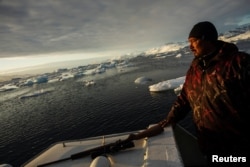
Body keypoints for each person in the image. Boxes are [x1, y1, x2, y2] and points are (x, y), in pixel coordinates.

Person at [128, 21, 250, 164]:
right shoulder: (196, 67)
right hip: (210, 146)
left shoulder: (239, 63)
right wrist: (170, 120)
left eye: (194, 41)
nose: (190, 47)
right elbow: (185, 96)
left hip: (238, 147)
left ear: (207, 39)